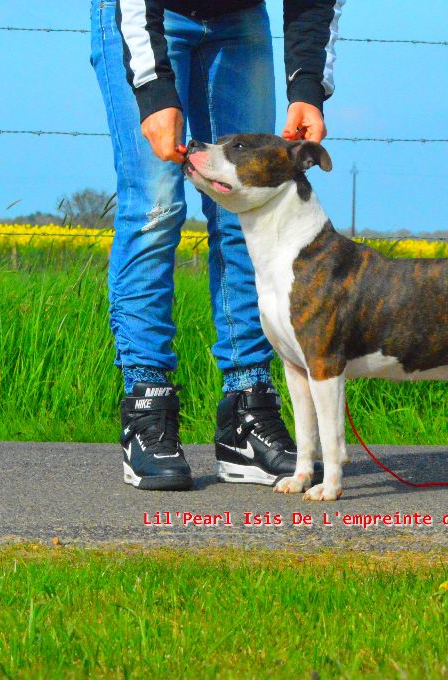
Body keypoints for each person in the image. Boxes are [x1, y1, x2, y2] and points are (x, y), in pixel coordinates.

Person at [90, 0, 343, 490]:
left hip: (239, 19)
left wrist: (307, 86)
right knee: (155, 209)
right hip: (149, 17)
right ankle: (147, 409)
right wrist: (153, 89)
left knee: (243, 208)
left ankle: (247, 414)